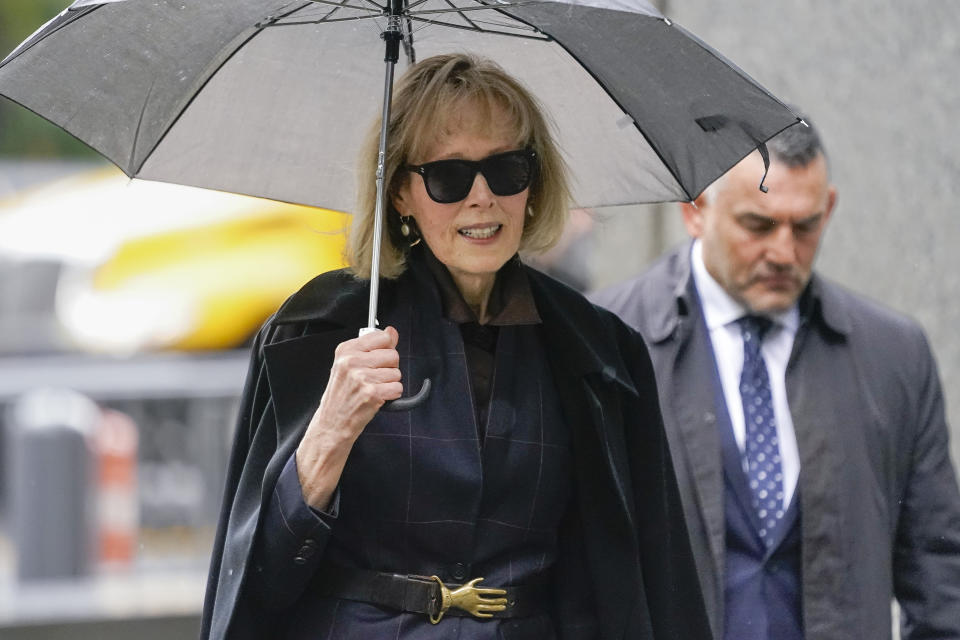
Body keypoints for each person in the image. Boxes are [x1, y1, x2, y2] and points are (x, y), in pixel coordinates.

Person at [200, 53, 710, 640]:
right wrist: (330, 432)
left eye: (507, 169)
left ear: (534, 182)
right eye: (448, 176)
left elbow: (647, 576)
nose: (482, 198)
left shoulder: (598, 351)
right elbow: (255, 582)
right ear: (399, 193)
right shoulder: (317, 331)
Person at [591, 119, 960, 640]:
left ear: (828, 207)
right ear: (695, 210)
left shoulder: (893, 355)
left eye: (805, 225)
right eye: (758, 225)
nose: (784, 253)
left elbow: (941, 577)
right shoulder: (605, 342)